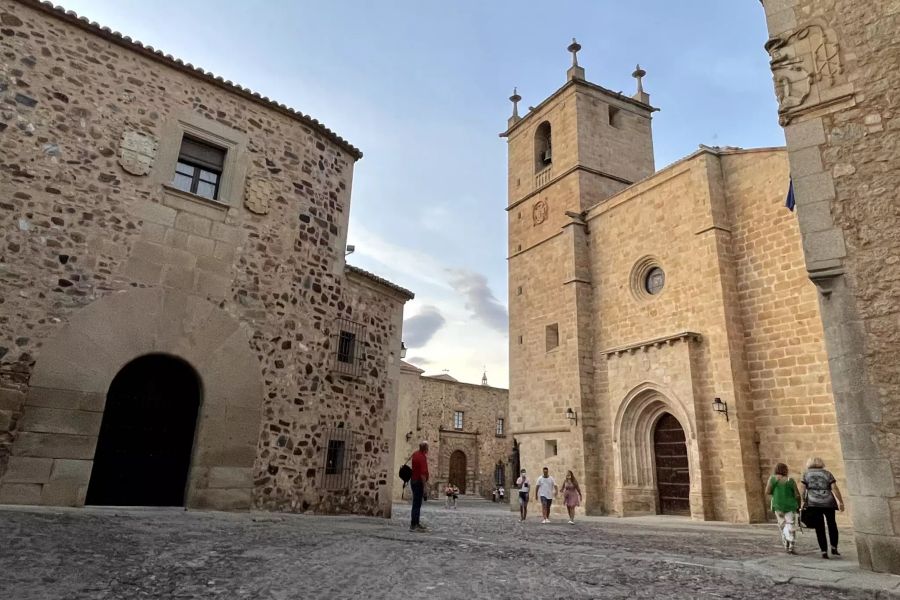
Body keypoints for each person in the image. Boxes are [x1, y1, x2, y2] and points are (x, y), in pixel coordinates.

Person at [800, 456, 844, 558]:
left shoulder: (806, 474)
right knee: (832, 524)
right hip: (828, 501)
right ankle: (834, 547)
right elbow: (834, 488)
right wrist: (840, 502)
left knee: (819, 527)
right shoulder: (827, 473)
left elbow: (802, 489)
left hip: (813, 503)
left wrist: (802, 501)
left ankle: (824, 551)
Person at [765, 462, 801, 554]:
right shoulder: (790, 480)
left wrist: (775, 492)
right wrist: (799, 505)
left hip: (778, 505)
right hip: (790, 505)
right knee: (790, 523)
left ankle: (786, 542)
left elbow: (767, 492)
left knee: (782, 524)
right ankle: (791, 544)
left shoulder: (772, 479)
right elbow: (797, 494)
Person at [409, 441, 429, 532]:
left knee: (416, 503)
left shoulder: (415, 454)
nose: (428, 449)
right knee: (417, 504)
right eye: (427, 447)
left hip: (413, 480)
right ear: (425, 448)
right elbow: (423, 474)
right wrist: (425, 487)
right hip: (418, 482)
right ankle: (414, 524)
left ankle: (416, 523)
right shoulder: (422, 457)